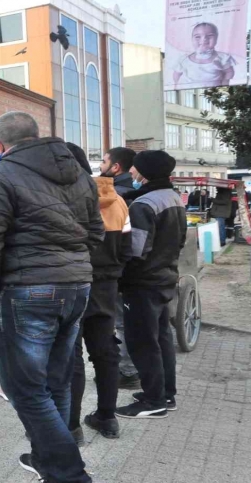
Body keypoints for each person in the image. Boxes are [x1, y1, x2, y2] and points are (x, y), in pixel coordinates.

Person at [0, 112, 103, 483]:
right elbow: (96, 231)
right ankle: (48, 459)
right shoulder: (80, 174)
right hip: (75, 286)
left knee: (23, 388)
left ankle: (67, 472)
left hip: (26, 290)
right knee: (54, 380)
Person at [65, 143, 132, 441]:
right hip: (106, 286)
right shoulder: (118, 201)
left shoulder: (67, 201)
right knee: (105, 353)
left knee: (71, 356)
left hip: (73, 284)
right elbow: (129, 250)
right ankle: (107, 417)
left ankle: (71, 426)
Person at [117, 151, 186, 419]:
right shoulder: (173, 198)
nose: (131, 173)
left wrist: (123, 278)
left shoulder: (143, 205)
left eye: (135, 169)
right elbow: (179, 241)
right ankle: (166, 394)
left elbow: (136, 250)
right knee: (161, 338)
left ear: (145, 173)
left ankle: (153, 401)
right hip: (165, 277)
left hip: (143, 283)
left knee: (142, 342)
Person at [100, 146, 140, 389]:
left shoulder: (114, 194)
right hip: (127, 268)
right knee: (123, 322)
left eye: (104, 161)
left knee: (118, 323)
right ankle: (127, 368)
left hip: (112, 271)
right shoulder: (135, 193)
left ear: (115, 167)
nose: (101, 166)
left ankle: (126, 371)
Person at [173, 22, 236, 88]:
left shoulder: (222, 57)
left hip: (213, 90)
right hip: (190, 89)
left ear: (216, 39)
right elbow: (176, 74)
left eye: (209, 36)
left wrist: (225, 82)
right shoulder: (184, 59)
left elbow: (229, 72)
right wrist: (176, 85)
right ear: (192, 39)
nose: (204, 39)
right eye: (197, 37)